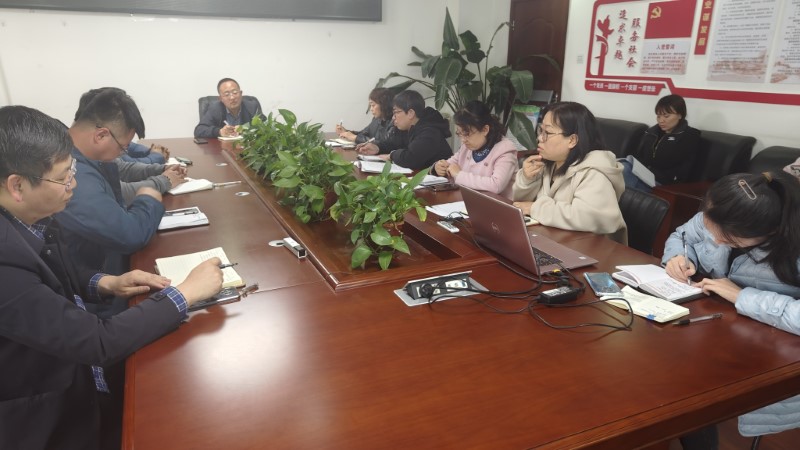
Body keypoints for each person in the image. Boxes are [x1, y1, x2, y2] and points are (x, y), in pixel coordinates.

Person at [0, 105, 225, 450]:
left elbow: (49, 273)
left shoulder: (28, 217)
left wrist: (105, 282)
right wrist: (185, 293)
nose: (73, 184)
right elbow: (97, 342)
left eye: (73, 170)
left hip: (74, 376)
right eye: (63, 177)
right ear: (17, 185)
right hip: (45, 417)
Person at [662, 171, 800, 449]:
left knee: (689, 390)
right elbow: (683, 234)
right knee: (673, 378)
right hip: (720, 331)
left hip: (774, 357)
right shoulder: (722, 212)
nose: (714, 240)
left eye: (727, 239)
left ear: (769, 232)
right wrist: (679, 256)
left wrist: (741, 296)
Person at [56, 87, 169, 274]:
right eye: (122, 148)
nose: (122, 154)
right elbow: (130, 235)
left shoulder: (74, 153)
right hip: (94, 277)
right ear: (100, 135)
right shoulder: (71, 173)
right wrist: (148, 199)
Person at [511, 101, 627, 244]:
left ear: (572, 140)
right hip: (552, 240)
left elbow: (588, 217)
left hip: (589, 249)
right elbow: (521, 205)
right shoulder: (550, 162)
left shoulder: (594, 172)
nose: (539, 138)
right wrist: (527, 180)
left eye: (548, 133)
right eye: (541, 130)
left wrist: (536, 208)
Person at [433, 100, 517, 198]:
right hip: (468, 200)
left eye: (467, 134)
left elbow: (496, 185)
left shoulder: (505, 150)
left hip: (497, 204)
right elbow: (450, 165)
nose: (463, 140)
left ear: (485, 130)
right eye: (459, 133)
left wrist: (459, 175)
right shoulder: (467, 147)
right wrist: (438, 167)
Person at [355, 89, 452, 170]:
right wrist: (377, 148)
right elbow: (392, 144)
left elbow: (410, 158)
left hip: (441, 183)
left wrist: (391, 155)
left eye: (396, 112)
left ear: (410, 113)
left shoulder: (429, 132)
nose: (393, 117)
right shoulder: (407, 128)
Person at [621, 94, 701, 191]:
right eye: (658, 116)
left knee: (625, 170)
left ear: (680, 115)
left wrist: (646, 167)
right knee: (620, 166)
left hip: (665, 184)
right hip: (645, 176)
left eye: (666, 116)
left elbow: (668, 162)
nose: (661, 120)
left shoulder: (690, 135)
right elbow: (641, 156)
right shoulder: (652, 133)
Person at [194, 77, 263, 138]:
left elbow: (265, 127)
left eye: (235, 92)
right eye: (227, 94)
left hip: (246, 147)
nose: (232, 97)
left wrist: (246, 129)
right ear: (221, 98)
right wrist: (219, 131)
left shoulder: (252, 107)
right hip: (222, 147)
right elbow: (199, 130)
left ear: (241, 93)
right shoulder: (215, 109)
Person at [335, 87, 399, 145]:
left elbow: (384, 144)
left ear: (384, 104)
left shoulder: (395, 121)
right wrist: (346, 132)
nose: (371, 109)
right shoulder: (377, 119)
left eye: (373, 105)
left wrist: (354, 137)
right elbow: (363, 133)